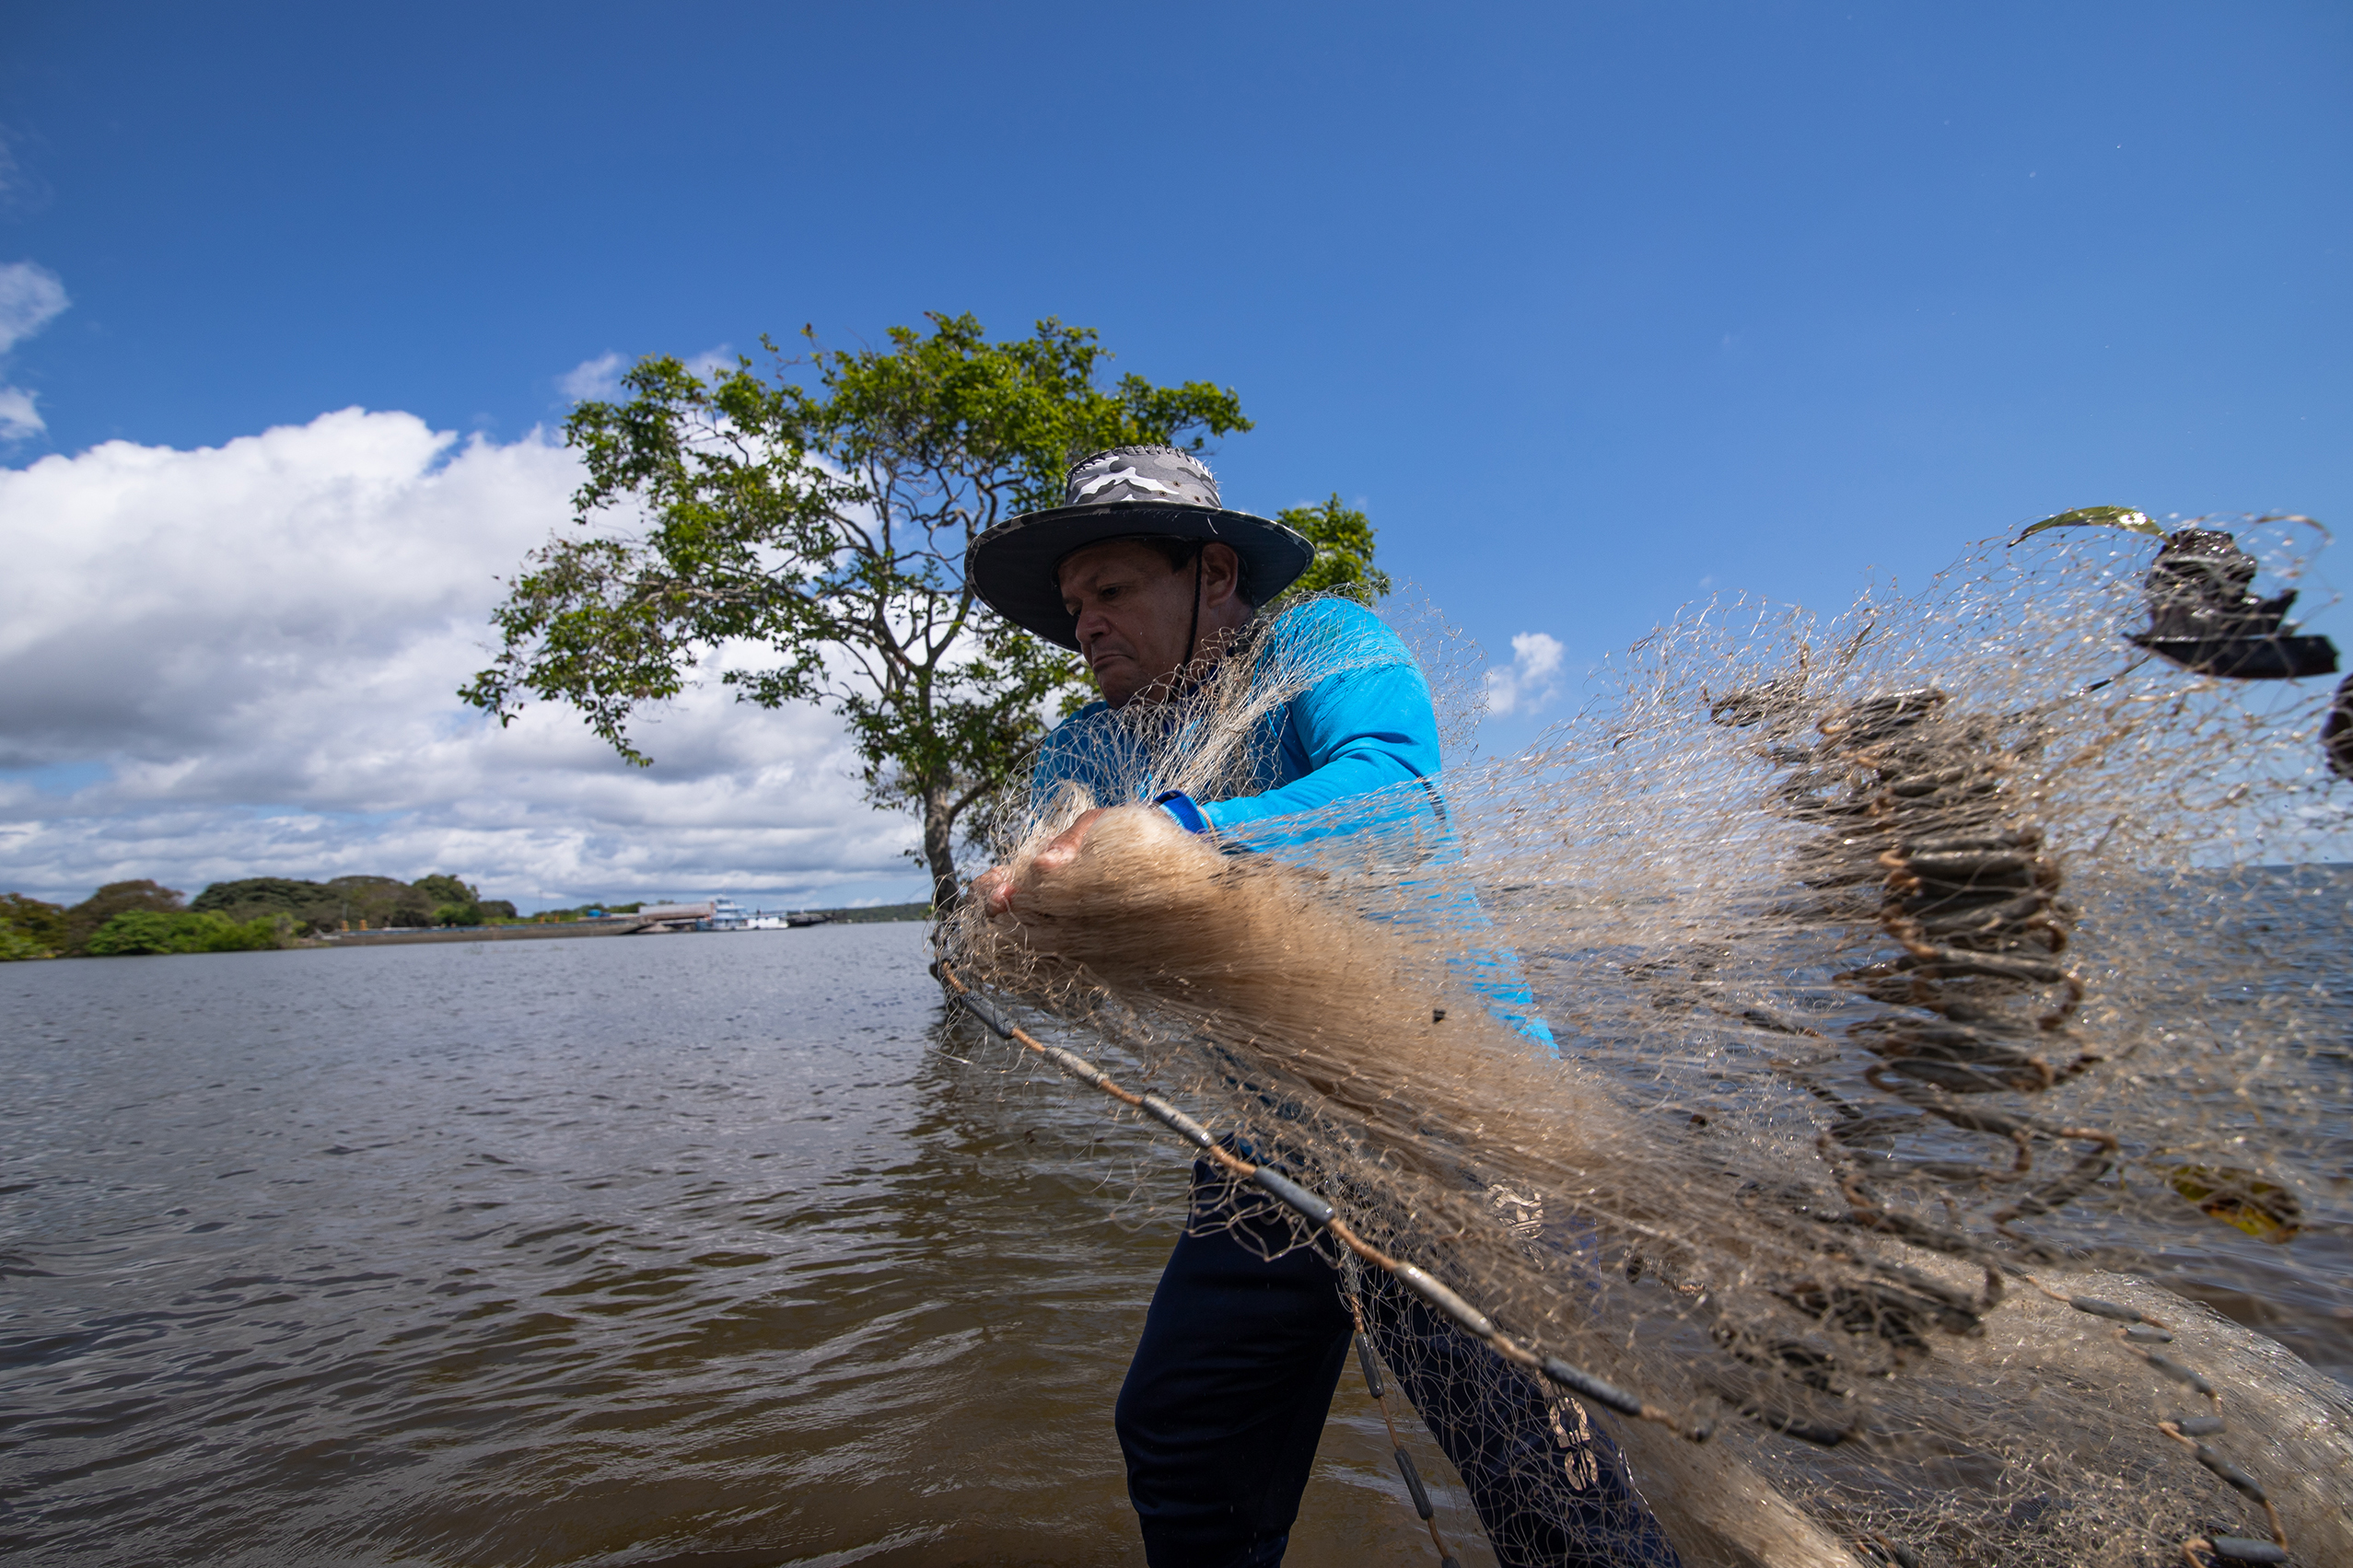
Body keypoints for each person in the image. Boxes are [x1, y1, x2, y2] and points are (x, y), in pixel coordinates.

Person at [964, 446, 1680, 1568]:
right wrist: (1022, 900)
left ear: (1210, 572)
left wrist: (1183, 831)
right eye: (1070, 606)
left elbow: (1396, 796)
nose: (1084, 626)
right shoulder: (1090, 740)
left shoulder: (1321, 643)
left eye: (1110, 592)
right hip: (1267, 1146)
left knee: (1552, 1496)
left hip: (1453, 1110)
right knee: (1180, 1431)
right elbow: (1054, 851)